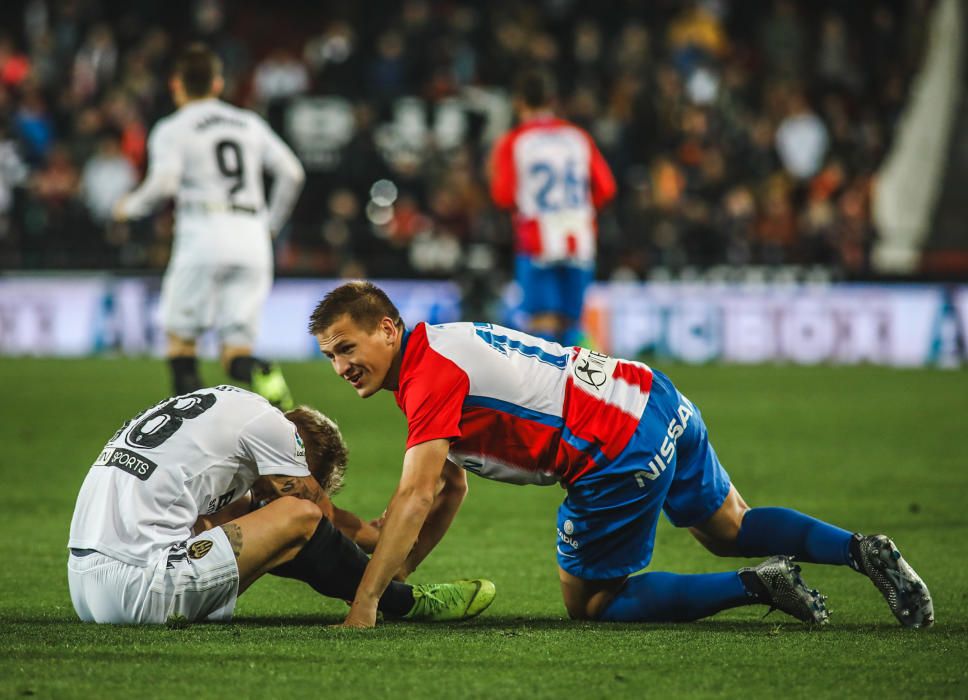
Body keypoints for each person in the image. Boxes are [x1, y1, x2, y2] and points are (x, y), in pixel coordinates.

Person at [308, 281, 934, 630]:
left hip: (609, 448)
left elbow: (417, 493)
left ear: (387, 327)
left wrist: (365, 603)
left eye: (346, 347)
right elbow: (448, 488)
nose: (340, 367)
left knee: (592, 603)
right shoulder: (440, 347)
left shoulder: (428, 377)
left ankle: (756, 585)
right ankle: (859, 549)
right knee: (732, 526)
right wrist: (402, 569)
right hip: (649, 394)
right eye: (330, 357)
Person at [67, 384, 496, 624]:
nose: (266, 494)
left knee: (275, 525)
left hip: (85, 585)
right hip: (139, 585)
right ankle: (405, 601)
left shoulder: (217, 414)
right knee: (300, 515)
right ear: (299, 457)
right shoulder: (271, 427)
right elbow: (316, 515)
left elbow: (228, 523)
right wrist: (377, 536)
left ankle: (388, 593)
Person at [114, 43, 304, 409]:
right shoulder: (248, 122)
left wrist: (129, 207)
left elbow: (165, 184)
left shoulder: (173, 128)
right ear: (217, 84)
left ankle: (192, 431)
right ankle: (261, 370)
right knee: (236, 352)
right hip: (251, 236)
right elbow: (292, 173)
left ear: (176, 85)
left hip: (203, 231)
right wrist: (271, 224)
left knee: (181, 342)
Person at [488, 70, 616, 346]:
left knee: (541, 323)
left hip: (537, 239)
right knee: (572, 324)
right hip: (579, 238)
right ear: (552, 100)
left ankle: (548, 389)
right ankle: (585, 387)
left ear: (519, 102)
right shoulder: (578, 137)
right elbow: (606, 188)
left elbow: (502, 195)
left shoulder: (515, 141)